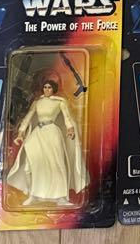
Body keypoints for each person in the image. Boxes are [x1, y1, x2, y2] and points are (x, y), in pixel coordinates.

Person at [5, 71, 88, 206]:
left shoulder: (59, 102)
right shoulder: (37, 102)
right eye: (45, 87)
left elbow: (67, 117)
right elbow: (27, 118)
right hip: (38, 134)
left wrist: (70, 129)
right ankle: (32, 195)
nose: (47, 89)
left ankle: (61, 197)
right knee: (29, 166)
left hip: (52, 133)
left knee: (57, 164)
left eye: (49, 87)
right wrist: (20, 133)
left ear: (53, 89)